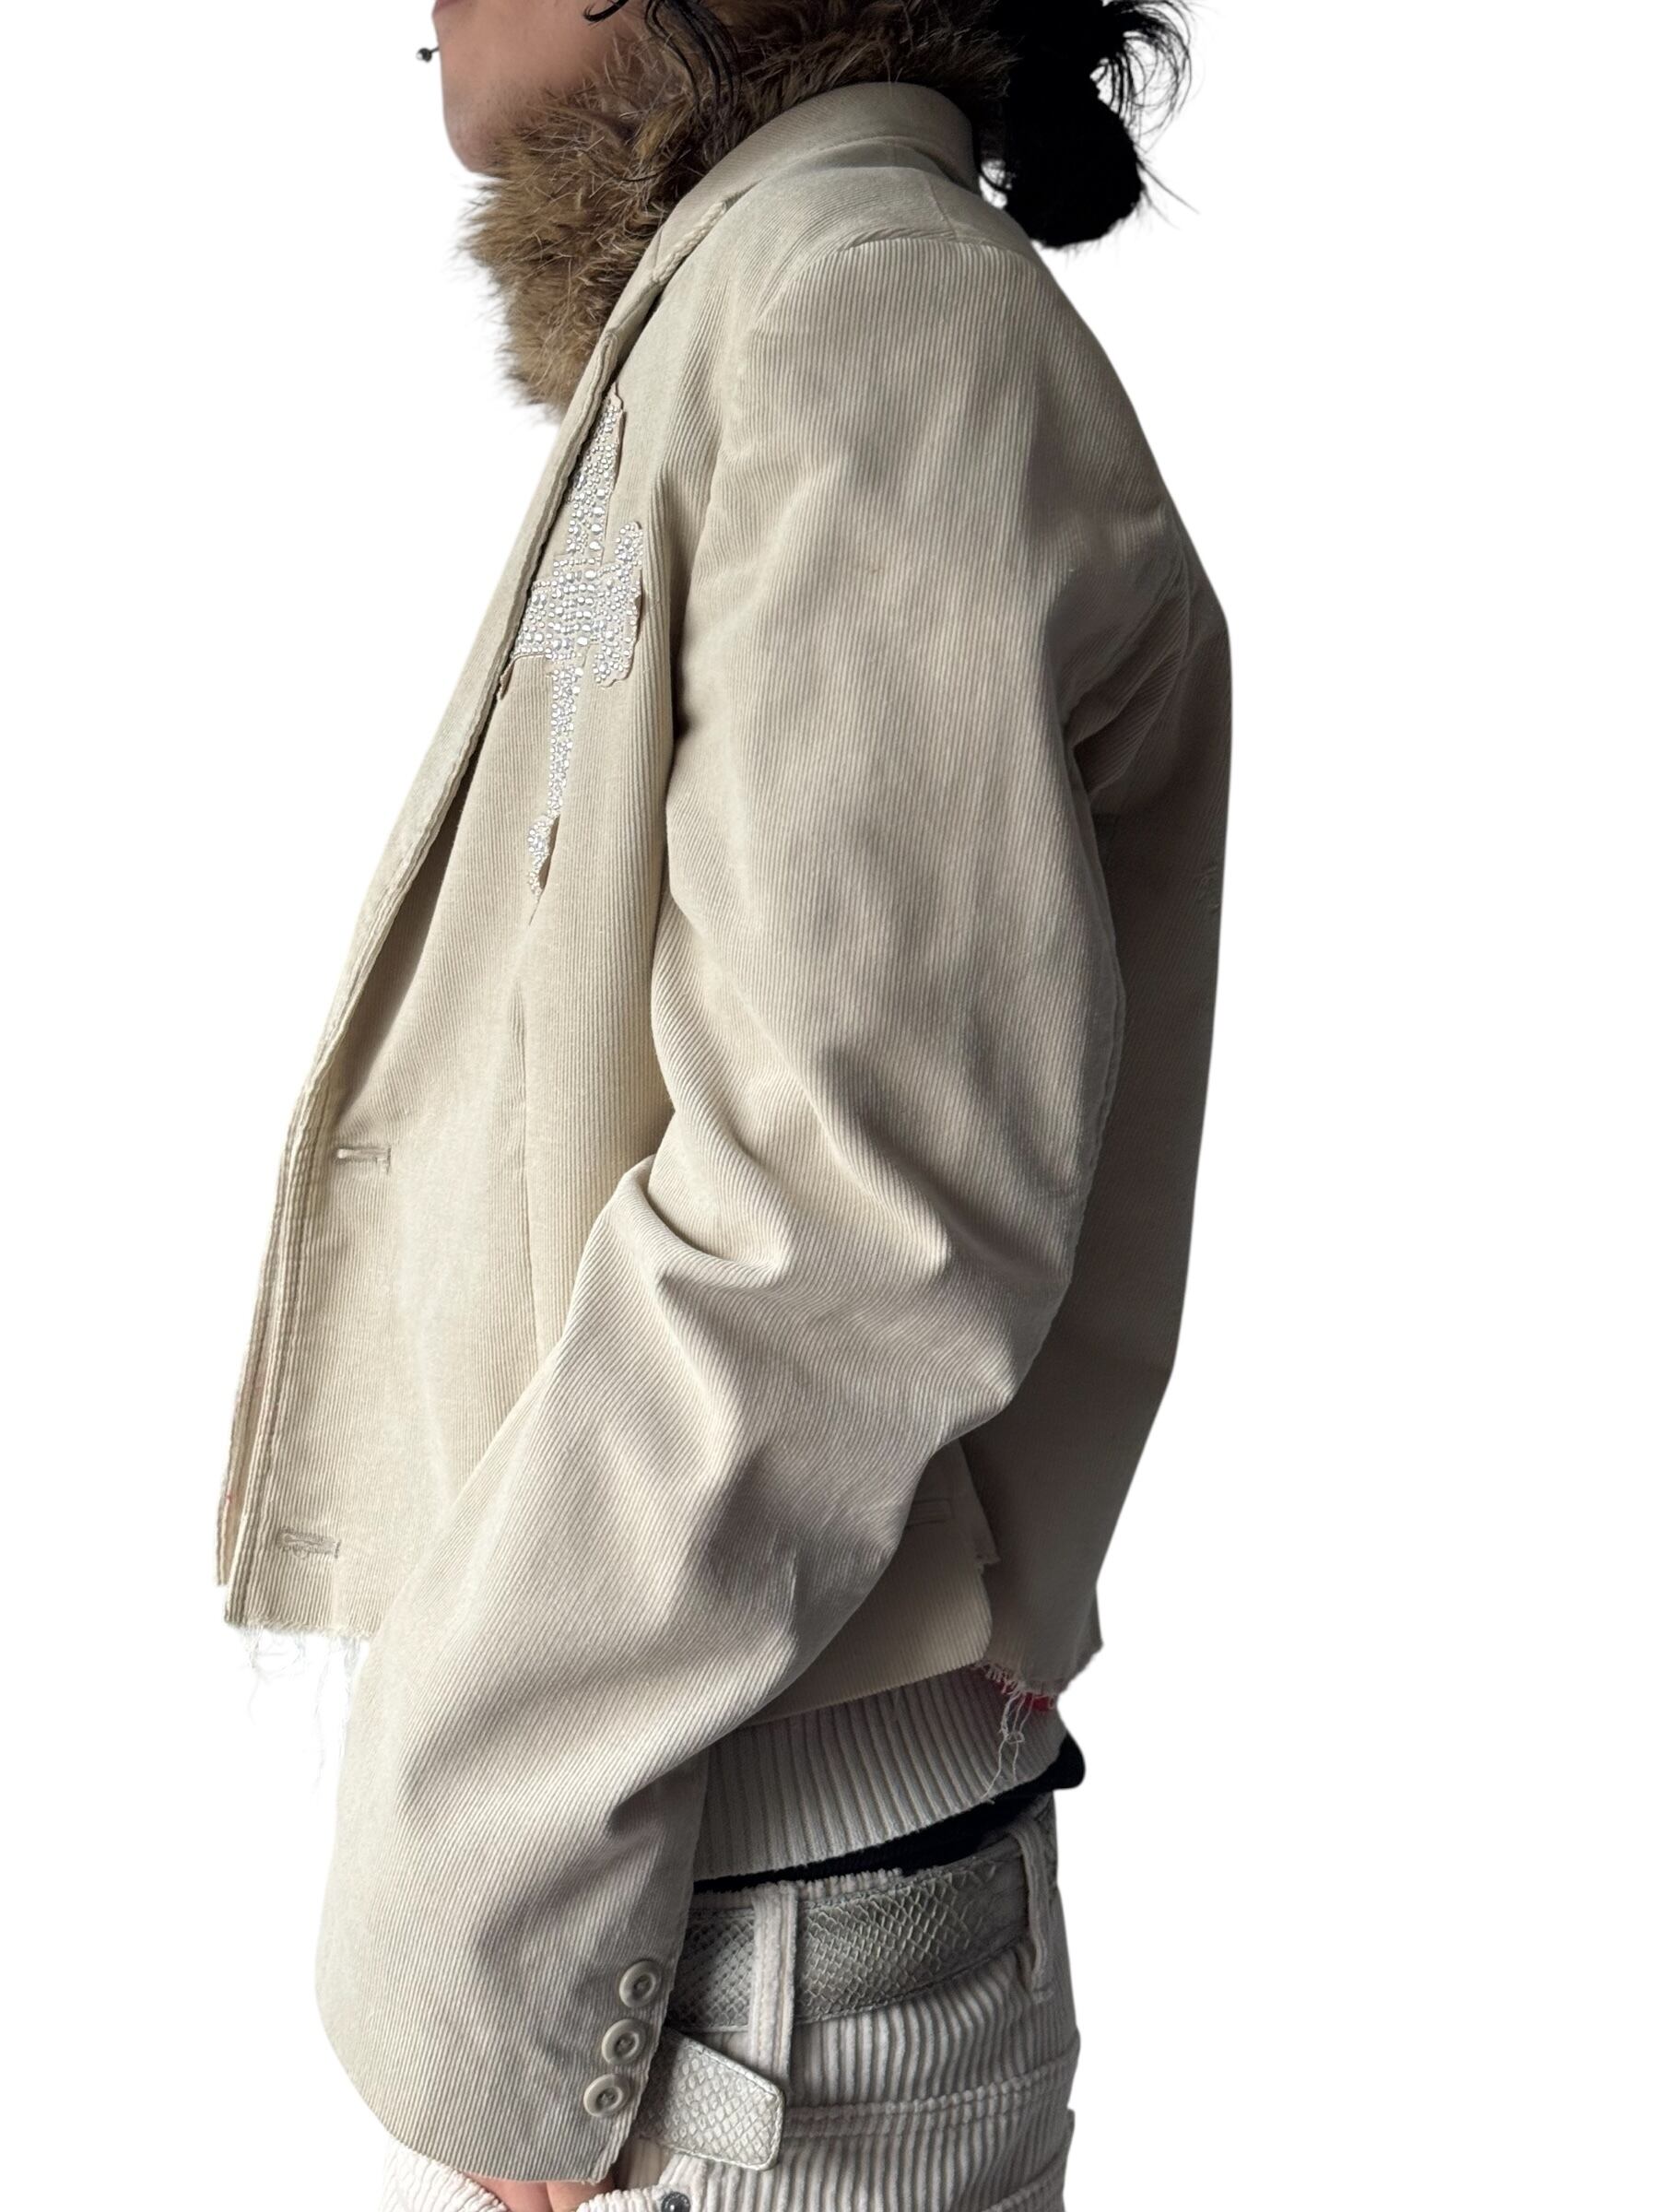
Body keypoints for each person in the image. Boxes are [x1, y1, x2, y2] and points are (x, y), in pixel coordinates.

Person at [215, 2, 1230, 2206]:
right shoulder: (754, 306)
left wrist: (480, 1868)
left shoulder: (858, 311)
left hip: (721, 1950)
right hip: (690, 1904)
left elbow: (857, 1204)